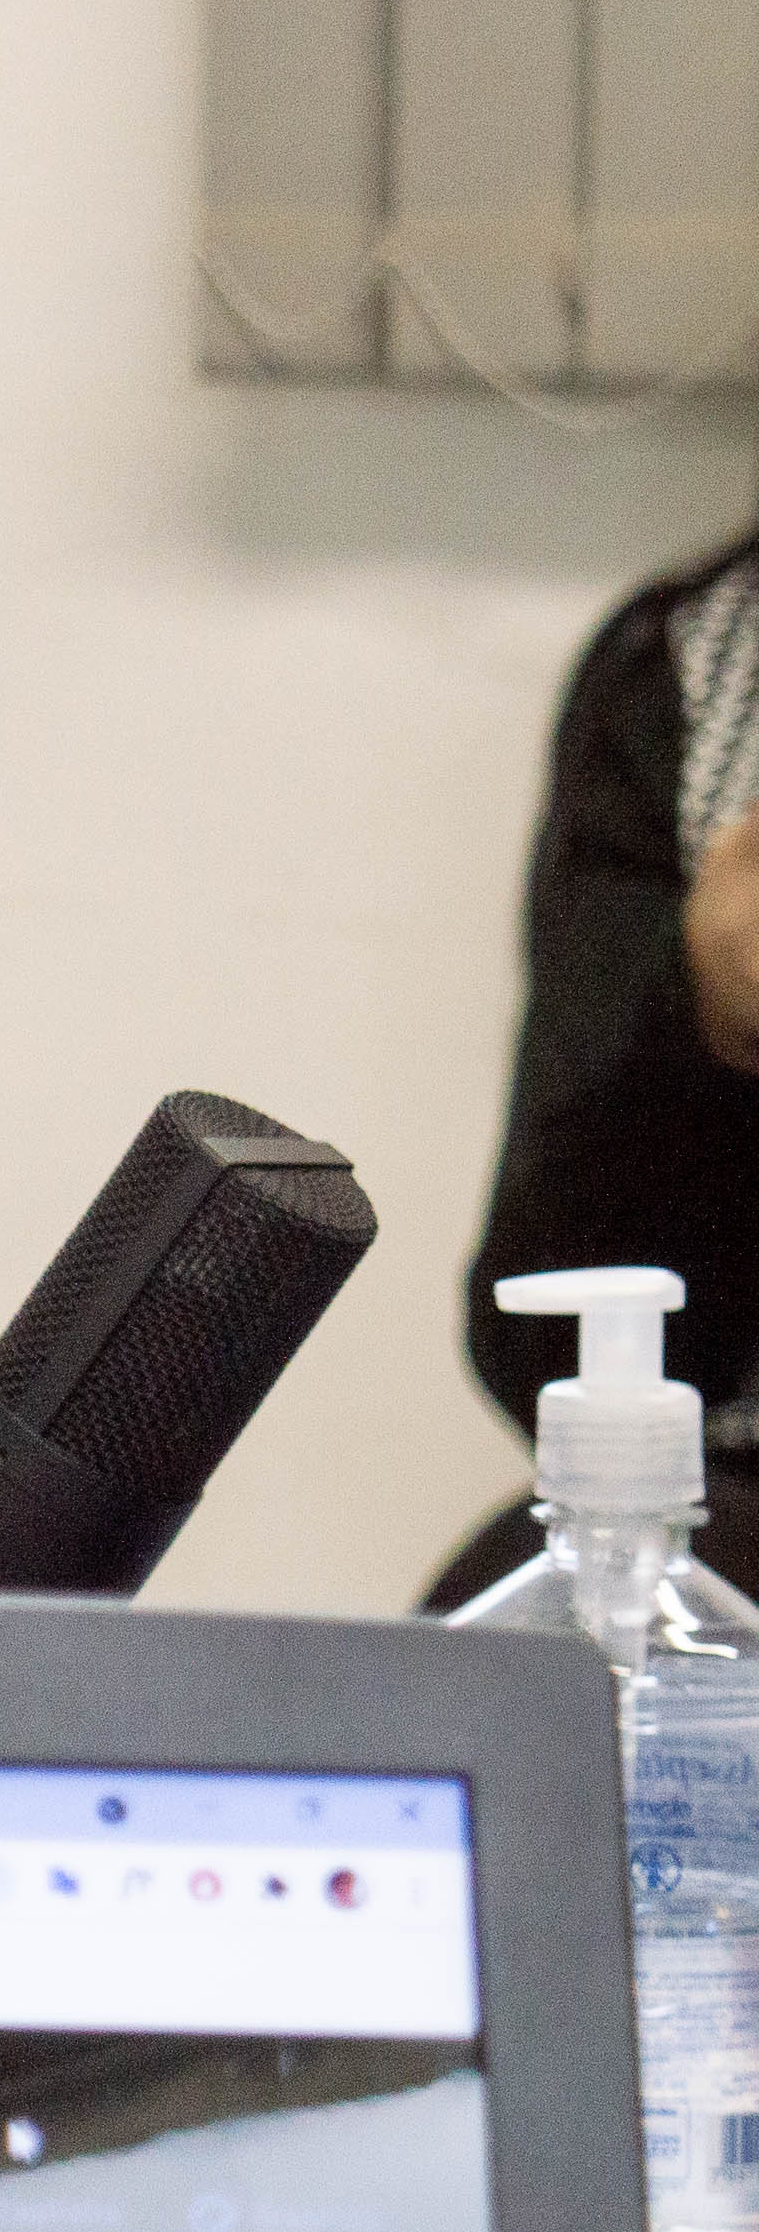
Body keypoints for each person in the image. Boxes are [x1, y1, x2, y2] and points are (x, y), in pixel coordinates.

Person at [430, 524, 759, 1605]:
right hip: (736, 1495)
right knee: (494, 1652)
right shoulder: (692, 669)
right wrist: (699, 1014)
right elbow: (545, 1340)